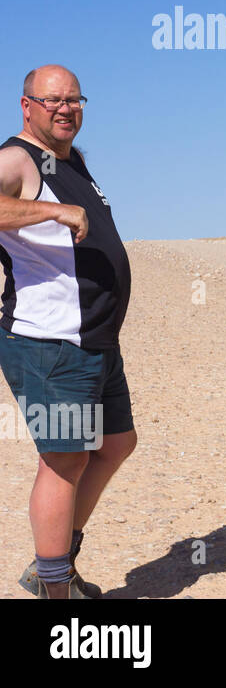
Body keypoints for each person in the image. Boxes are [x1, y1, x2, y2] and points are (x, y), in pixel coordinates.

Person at [0, 65, 136, 598]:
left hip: (95, 339)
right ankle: (55, 591)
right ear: (26, 105)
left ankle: (54, 562)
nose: (65, 108)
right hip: (48, 340)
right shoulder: (16, 158)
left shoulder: (71, 159)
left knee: (117, 443)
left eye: (75, 99)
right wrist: (50, 211)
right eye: (53, 100)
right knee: (64, 460)